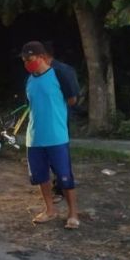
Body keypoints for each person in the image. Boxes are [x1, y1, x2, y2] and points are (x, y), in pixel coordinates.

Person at [21, 41, 79, 229]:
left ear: (42, 57)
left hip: (57, 137)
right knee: (41, 177)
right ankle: (50, 209)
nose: (27, 63)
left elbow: (71, 100)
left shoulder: (57, 74)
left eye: (30, 59)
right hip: (35, 138)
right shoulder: (29, 80)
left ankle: (73, 214)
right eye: (24, 60)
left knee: (64, 177)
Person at [42, 43, 81, 204]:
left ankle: (62, 187)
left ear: (43, 56)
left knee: (60, 154)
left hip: (59, 119)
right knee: (48, 155)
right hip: (44, 121)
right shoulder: (39, 73)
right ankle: (58, 185)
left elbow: (72, 99)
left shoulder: (62, 71)